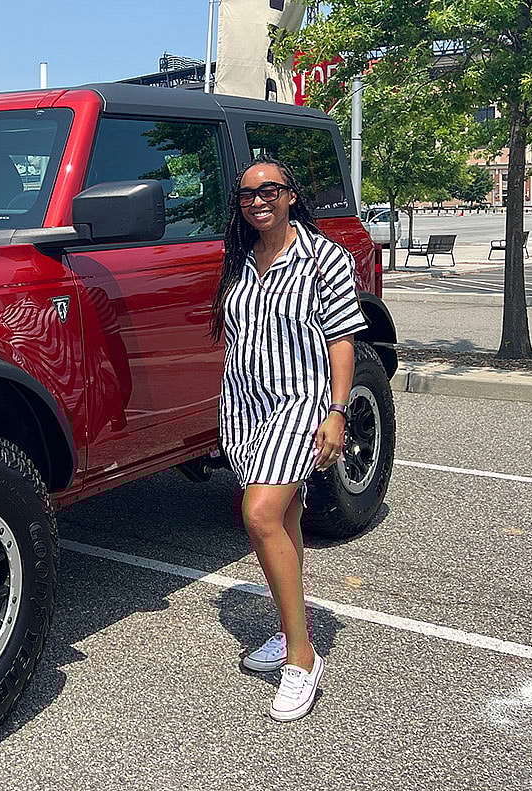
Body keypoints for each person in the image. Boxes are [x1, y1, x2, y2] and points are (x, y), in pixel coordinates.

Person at [210, 155, 367, 721]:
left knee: (260, 515)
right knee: (287, 519)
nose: (259, 200)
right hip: (246, 407)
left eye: (270, 190)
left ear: (291, 195)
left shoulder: (324, 258)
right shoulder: (240, 259)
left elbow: (344, 338)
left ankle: (302, 657)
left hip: (301, 405)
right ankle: (287, 627)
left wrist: (338, 410)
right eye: (248, 194)